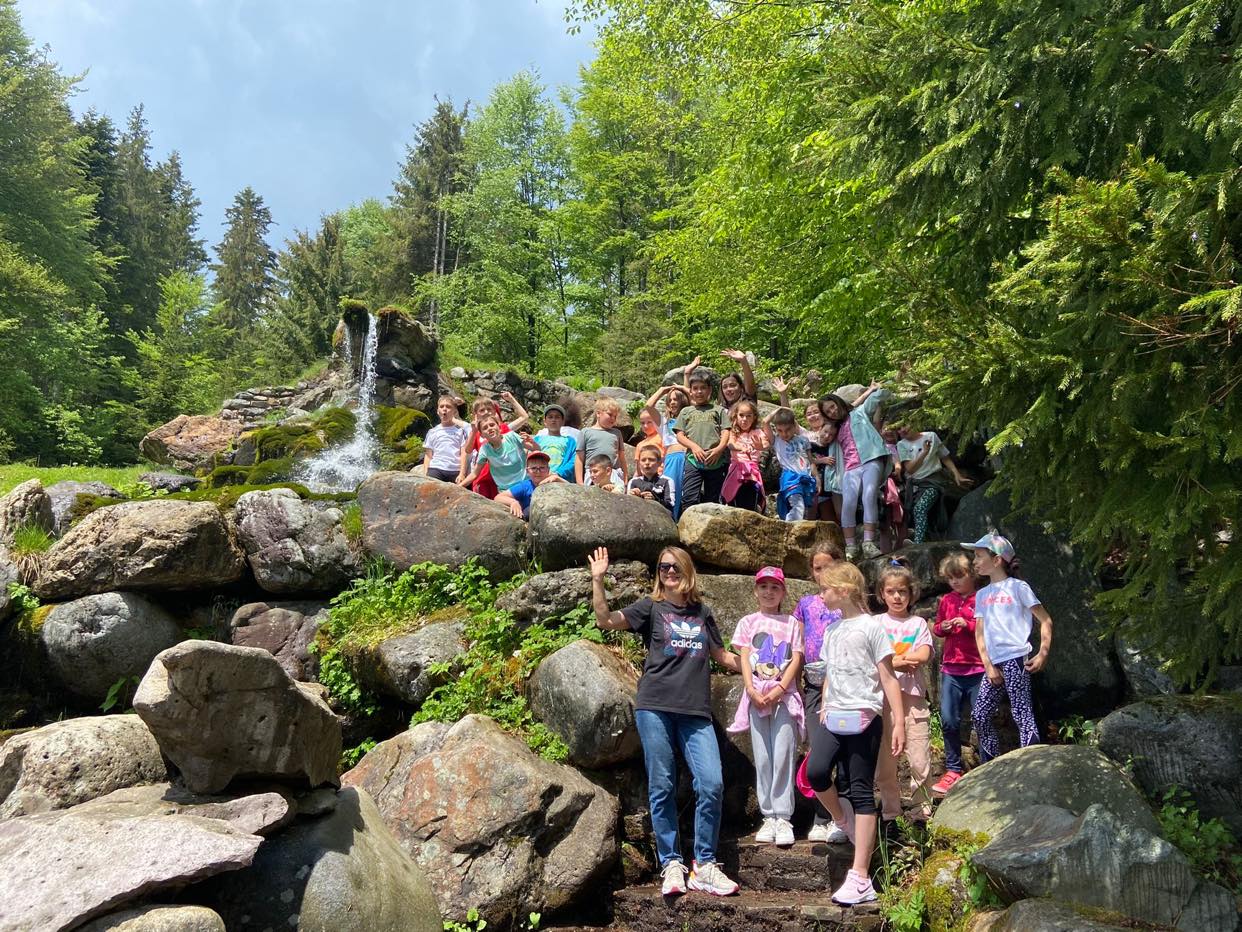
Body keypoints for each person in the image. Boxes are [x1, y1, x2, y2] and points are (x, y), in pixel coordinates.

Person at [588, 545, 742, 897]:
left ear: (687, 570)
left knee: (712, 783)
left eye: (675, 566)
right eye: (662, 567)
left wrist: (756, 667)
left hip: (695, 712)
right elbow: (605, 621)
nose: (669, 571)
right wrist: (598, 581)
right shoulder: (651, 608)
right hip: (655, 707)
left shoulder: (702, 613)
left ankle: (704, 865)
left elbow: (721, 656)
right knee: (662, 784)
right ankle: (671, 862)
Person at [804, 561, 905, 907]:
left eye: (826, 588)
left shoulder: (872, 627)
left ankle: (860, 876)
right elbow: (830, 673)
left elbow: (888, 677)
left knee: (861, 790)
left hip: (864, 715)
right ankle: (841, 818)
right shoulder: (832, 630)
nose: (821, 594)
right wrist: (824, 705)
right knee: (816, 772)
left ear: (844, 590)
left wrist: (899, 722)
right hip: (834, 715)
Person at [728, 567, 804, 847]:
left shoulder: (792, 623)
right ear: (755, 590)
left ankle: (783, 816)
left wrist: (781, 688)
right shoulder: (748, 622)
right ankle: (768, 815)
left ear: (783, 592)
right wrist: (750, 689)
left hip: (784, 697)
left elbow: (797, 657)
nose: (768, 592)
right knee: (763, 756)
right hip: (756, 695)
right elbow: (745, 655)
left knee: (783, 753)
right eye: (763, 587)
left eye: (775, 587)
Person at [967, 533, 1053, 761]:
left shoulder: (1018, 587)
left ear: (996, 560)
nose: (974, 561)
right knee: (980, 714)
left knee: (1021, 711)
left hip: (1016, 658)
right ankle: (991, 763)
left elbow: (1045, 620)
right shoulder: (982, 594)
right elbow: (979, 632)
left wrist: (1042, 654)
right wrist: (988, 665)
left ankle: (1032, 762)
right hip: (994, 663)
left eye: (979, 556)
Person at [872, 561, 934, 824]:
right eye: (891, 591)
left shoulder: (918, 623)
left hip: (913, 699)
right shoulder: (875, 623)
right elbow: (871, 659)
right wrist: (897, 662)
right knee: (885, 760)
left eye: (902, 591)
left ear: (911, 593)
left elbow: (924, 653)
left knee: (919, 756)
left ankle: (922, 809)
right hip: (882, 700)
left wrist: (893, 660)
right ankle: (891, 812)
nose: (897, 597)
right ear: (882, 594)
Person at [794, 541, 848, 843]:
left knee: (845, 751)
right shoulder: (806, 604)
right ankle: (821, 816)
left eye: (829, 566)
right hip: (815, 685)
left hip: (845, 685)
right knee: (818, 749)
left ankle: (843, 818)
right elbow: (798, 645)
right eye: (817, 568)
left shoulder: (847, 600)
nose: (823, 572)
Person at [930, 552, 984, 796]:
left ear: (972, 575)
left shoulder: (981, 598)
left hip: (977, 667)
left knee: (981, 718)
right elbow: (938, 628)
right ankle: (953, 768)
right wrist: (944, 626)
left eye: (959, 576)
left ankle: (987, 766)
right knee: (948, 719)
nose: (955, 582)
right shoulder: (947, 600)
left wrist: (968, 624)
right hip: (951, 667)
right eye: (951, 578)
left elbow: (987, 628)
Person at [819, 382, 890, 561]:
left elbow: (876, 398)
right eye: (828, 411)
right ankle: (850, 545)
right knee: (848, 503)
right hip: (851, 468)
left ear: (838, 403)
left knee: (869, 495)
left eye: (832, 407)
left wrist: (880, 388)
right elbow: (818, 439)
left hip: (871, 458)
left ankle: (868, 542)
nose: (832, 412)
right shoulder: (834, 429)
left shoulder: (860, 413)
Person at [897, 426, 974, 544]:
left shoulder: (931, 436)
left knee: (920, 508)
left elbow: (944, 457)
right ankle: (924, 539)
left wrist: (957, 475)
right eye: (898, 429)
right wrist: (924, 452)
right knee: (917, 513)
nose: (902, 430)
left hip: (933, 481)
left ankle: (918, 543)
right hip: (915, 485)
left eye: (904, 425)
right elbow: (910, 469)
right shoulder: (901, 444)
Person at [675, 372, 731, 509]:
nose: (699, 392)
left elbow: (726, 432)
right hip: (693, 460)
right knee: (689, 498)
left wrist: (719, 449)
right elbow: (680, 435)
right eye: (695, 388)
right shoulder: (686, 411)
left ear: (709, 390)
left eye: (703, 388)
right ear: (690, 391)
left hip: (716, 461)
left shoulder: (718, 410)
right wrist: (694, 447)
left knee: (713, 500)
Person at [462, 392, 530, 500]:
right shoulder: (478, 432)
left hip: (501, 479)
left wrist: (511, 399)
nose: (486, 412)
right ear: (475, 414)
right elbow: (468, 450)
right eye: (482, 410)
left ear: (495, 411)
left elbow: (524, 417)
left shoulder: (502, 429)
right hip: (482, 477)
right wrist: (474, 431)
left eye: (489, 409)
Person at [458, 412, 535, 494]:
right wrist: (459, 486)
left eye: (492, 425)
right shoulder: (485, 449)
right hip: (506, 490)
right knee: (499, 499)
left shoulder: (512, 437)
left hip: (524, 483)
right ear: (482, 435)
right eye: (485, 428)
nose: (489, 428)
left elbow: (536, 449)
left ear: (499, 427)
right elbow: (474, 473)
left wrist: (533, 442)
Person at [764, 408, 817, 521]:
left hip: (806, 478)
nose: (784, 434)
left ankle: (793, 525)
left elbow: (810, 461)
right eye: (780, 430)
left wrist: (817, 477)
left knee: (805, 509)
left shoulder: (804, 440)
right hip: (790, 477)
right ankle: (789, 526)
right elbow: (765, 422)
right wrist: (779, 409)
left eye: (788, 429)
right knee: (797, 505)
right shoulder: (776, 441)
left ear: (794, 426)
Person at [722, 400, 767, 512]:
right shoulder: (734, 432)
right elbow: (730, 444)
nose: (744, 419)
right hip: (736, 470)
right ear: (735, 416)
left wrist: (760, 446)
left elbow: (766, 444)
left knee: (751, 496)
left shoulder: (758, 432)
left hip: (752, 471)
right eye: (741, 415)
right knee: (734, 496)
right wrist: (741, 448)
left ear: (754, 417)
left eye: (748, 416)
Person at [495, 449, 565, 519]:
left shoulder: (554, 481)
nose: (538, 472)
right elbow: (498, 497)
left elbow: (572, 492)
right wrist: (513, 502)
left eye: (542, 468)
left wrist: (559, 479)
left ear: (548, 470)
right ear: (527, 471)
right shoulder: (525, 486)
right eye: (533, 468)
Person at [576, 398, 628, 485]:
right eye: (610, 414)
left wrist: (625, 479)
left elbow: (622, 458)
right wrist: (579, 482)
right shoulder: (586, 432)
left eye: (615, 416)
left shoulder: (617, 433)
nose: (613, 418)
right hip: (593, 472)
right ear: (598, 413)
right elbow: (579, 458)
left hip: (613, 472)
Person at [681, 349, 757, 407]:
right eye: (725, 387)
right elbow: (691, 398)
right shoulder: (719, 410)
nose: (728, 389)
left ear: (741, 388)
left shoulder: (746, 404)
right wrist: (687, 372)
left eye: (732, 385)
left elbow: (750, 388)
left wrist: (743, 361)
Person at [658, 387, 691, 517]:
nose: (672, 402)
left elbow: (696, 401)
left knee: (688, 491)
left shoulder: (691, 418)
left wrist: (683, 389)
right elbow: (648, 406)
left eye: (676, 399)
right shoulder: (664, 422)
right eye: (670, 400)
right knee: (671, 491)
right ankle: (671, 519)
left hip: (688, 458)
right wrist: (662, 391)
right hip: (672, 459)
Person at [421, 395, 470, 483]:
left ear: (455, 411)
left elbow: (464, 453)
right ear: (438, 411)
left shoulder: (460, 431)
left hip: (455, 470)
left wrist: (462, 474)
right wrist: (425, 473)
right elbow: (428, 455)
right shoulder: (432, 432)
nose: (444, 409)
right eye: (441, 406)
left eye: (448, 407)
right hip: (436, 468)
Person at [534, 404, 578, 482]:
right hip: (540, 478)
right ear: (545, 421)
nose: (553, 420)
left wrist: (559, 473)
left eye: (557, 417)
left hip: (560, 479)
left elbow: (573, 461)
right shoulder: (537, 439)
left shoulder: (570, 441)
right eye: (550, 417)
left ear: (563, 421)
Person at [627, 446, 676, 513]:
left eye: (651, 460)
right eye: (643, 460)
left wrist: (655, 500)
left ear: (659, 463)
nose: (647, 463)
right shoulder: (633, 482)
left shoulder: (667, 481)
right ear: (639, 463)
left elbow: (670, 504)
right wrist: (632, 496)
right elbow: (627, 505)